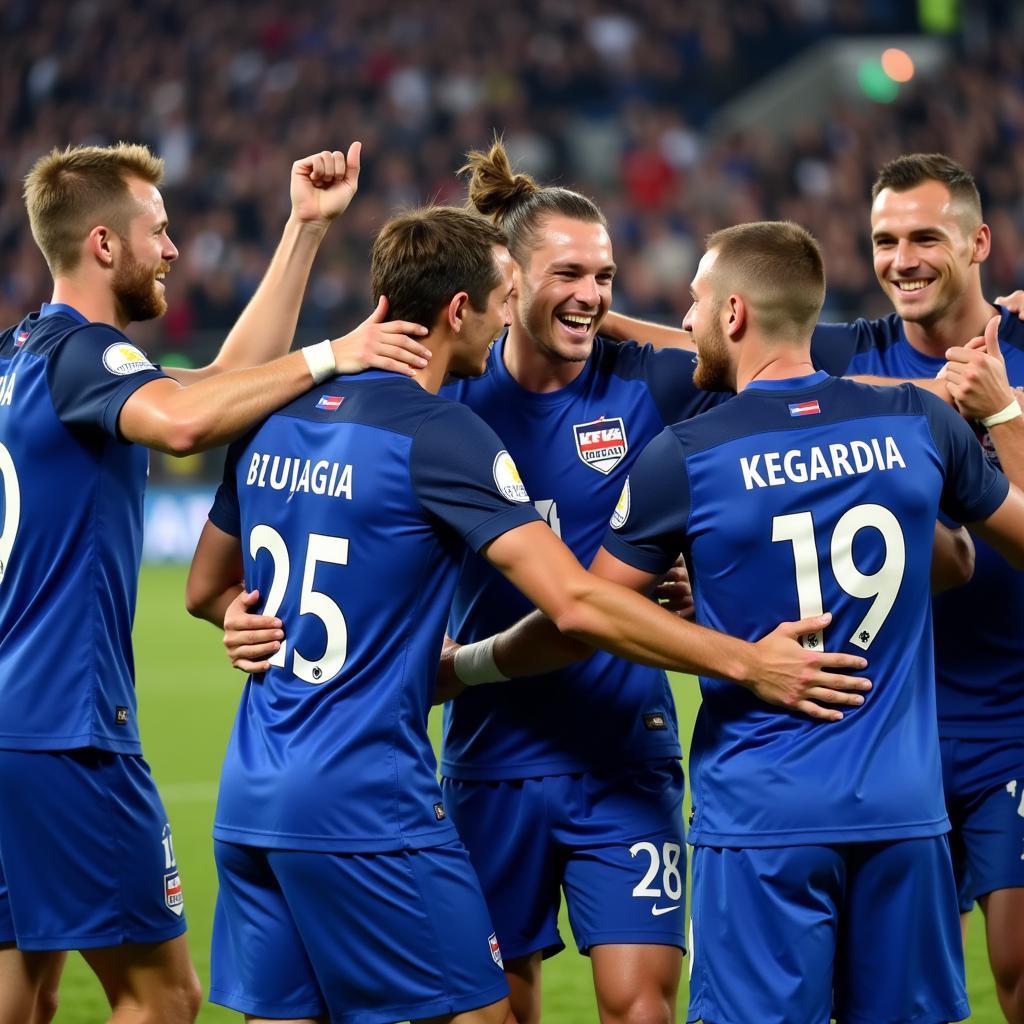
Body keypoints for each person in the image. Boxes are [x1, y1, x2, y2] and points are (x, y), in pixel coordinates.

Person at [187, 205, 872, 1024]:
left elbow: (784, 373)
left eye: (605, 278)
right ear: (478, 303)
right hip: (464, 758)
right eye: (546, 282)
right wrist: (745, 658)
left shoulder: (644, 377)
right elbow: (578, 605)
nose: (585, 296)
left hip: (609, 749)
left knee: (635, 1003)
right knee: (490, 1006)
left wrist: (243, 610)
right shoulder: (451, 414)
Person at [448, 220, 1024, 1024]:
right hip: (903, 811)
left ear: (733, 316)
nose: (682, 322)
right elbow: (965, 560)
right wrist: (1002, 414)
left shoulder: (687, 454)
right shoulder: (911, 424)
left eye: (692, 303)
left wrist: (463, 666)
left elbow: (588, 613)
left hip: (763, 816)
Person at [0, 140, 432, 1024]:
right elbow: (189, 420)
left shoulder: (20, 360)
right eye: (157, 232)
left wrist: (302, 234)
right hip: (64, 729)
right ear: (103, 245)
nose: (172, 249)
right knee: (162, 996)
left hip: (9, 724)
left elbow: (215, 383)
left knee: (23, 992)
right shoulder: (86, 355)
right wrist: (333, 355)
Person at [809, 154, 1024, 1024]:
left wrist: (1003, 410)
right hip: (888, 726)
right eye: (885, 240)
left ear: (978, 243)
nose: (902, 259)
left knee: (1017, 964)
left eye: (925, 237)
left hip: (1012, 718)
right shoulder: (851, 353)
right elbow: (703, 342)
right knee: (886, 992)